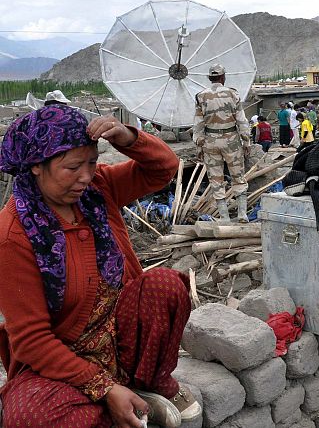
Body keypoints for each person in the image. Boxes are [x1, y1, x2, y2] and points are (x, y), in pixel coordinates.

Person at [0, 105, 200, 428]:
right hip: (61, 362)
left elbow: (166, 168)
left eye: (92, 163)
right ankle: (120, 402)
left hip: (119, 339)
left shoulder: (98, 189)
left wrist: (127, 138)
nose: (85, 176)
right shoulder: (13, 234)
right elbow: (33, 341)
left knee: (165, 286)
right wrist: (104, 388)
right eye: (73, 167)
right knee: (28, 416)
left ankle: (149, 385)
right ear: (37, 165)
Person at [193, 64, 251, 223]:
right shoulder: (233, 94)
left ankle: (224, 217)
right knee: (238, 176)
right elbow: (241, 120)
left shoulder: (201, 96)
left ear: (210, 78)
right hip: (231, 140)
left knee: (216, 179)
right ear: (223, 77)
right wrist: (246, 141)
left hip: (210, 142)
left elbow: (198, 124)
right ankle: (242, 214)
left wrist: (199, 145)